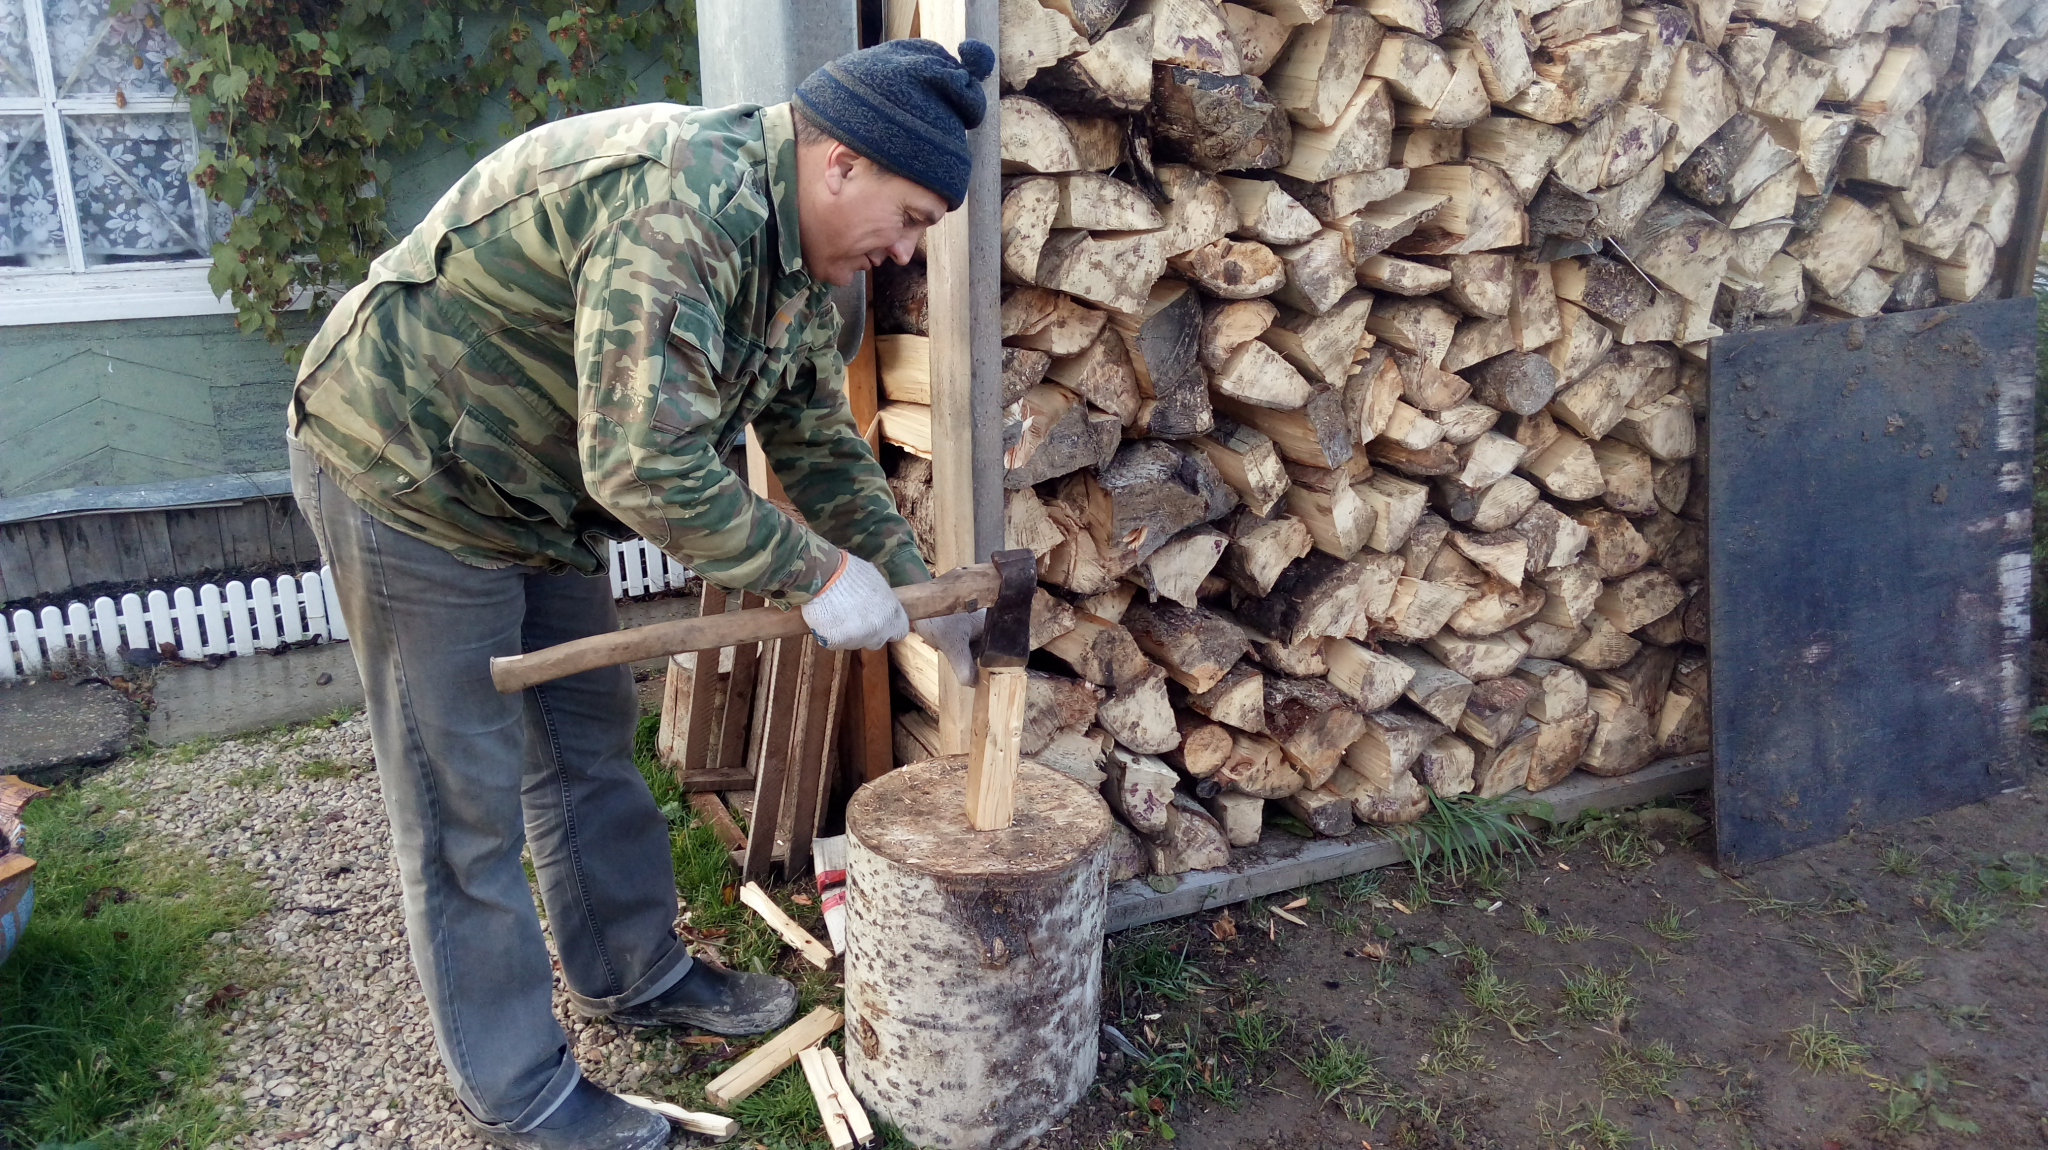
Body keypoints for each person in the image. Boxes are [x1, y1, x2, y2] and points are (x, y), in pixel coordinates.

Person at [285, 39, 993, 1150]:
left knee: (582, 744)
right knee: (458, 804)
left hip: (534, 490)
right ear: (840, 164)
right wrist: (812, 573)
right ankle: (520, 1090)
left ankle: (633, 972)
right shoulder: (686, 208)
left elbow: (809, 433)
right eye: (907, 218)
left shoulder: (801, 265)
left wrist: (910, 580)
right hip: (408, 472)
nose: (901, 252)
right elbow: (640, 466)